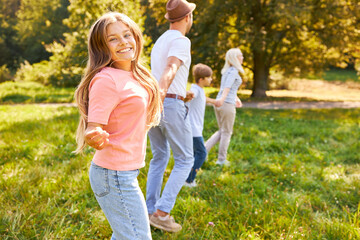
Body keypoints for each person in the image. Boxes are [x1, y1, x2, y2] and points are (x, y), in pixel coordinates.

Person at [74, 12, 162, 240]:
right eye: (113, 39)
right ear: (102, 46)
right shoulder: (106, 80)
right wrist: (94, 135)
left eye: (127, 34)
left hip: (125, 172)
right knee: (137, 237)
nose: (123, 41)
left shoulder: (136, 74)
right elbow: (93, 127)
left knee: (127, 235)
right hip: (113, 174)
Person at [146, 0, 196, 233]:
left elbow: (162, 74)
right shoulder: (181, 40)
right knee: (186, 159)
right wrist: (165, 95)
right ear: (187, 18)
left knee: (159, 157)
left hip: (158, 100)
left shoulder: (160, 42)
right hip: (168, 103)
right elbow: (170, 69)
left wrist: (167, 95)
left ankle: (149, 209)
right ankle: (162, 213)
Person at [205, 48, 244, 166]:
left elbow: (228, 88)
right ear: (234, 58)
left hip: (222, 102)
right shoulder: (233, 72)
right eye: (240, 56)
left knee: (222, 131)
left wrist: (236, 98)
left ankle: (203, 151)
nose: (242, 58)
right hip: (226, 104)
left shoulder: (227, 71)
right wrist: (222, 100)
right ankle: (221, 160)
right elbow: (227, 87)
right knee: (226, 132)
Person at [184, 63, 219, 187]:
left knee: (194, 154)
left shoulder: (200, 90)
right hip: (193, 130)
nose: (211, 79)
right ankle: (189, 180)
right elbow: (192, 93)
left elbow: (203, 98)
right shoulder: (195, 90)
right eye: (209, 77)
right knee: (202, 153)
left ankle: (186, 177)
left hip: (195, 128)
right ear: (201, 79)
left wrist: (215, 101)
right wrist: (188, 94)